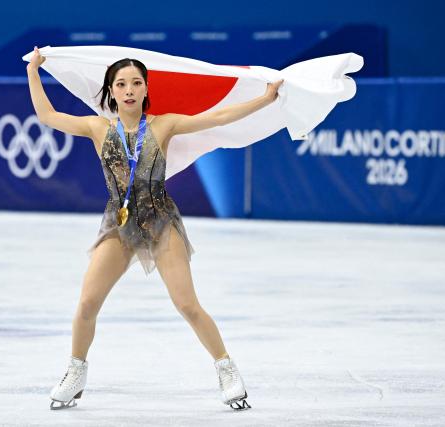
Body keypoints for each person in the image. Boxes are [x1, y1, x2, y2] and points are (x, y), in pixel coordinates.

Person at [26, 46, 283, 411]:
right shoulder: (96, 127)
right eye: (121, 84)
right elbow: (47, 115)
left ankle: (226, 368)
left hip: (160, 220)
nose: (129, 89)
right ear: (111, 91)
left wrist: (265, 99)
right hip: (119, 222)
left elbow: (220, 117)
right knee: (86, 303)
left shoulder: (165, 124)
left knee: (186, 303)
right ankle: (75, 371)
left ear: (146, 89)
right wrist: (34, 71)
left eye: (135, 83)